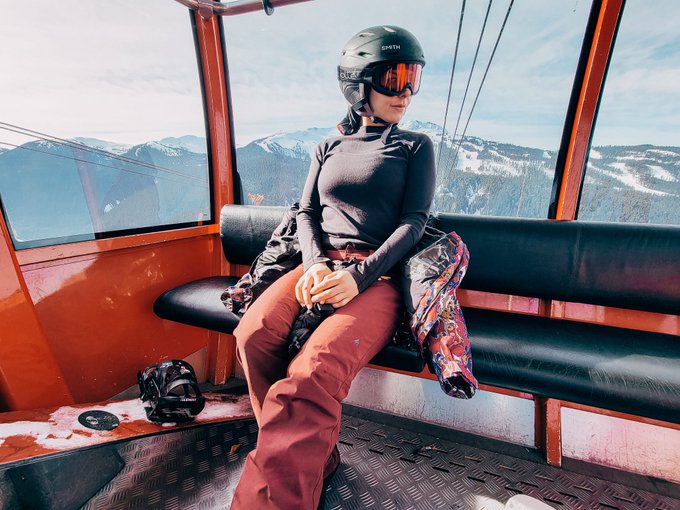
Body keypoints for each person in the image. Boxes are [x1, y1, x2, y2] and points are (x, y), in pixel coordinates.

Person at [230, 25, 436, 510]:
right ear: (358, 84)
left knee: (311, 373)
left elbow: (414, 223)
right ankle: (308, 461)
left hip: (377, 277)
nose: (406, 91)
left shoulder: (414, 146)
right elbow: (305, 212)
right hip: (319, 267)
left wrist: (356, 278)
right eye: (394, 78)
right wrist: (316, 265)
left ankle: (275, 494)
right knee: (252, 335)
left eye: (413, 78)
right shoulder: (328, 147)